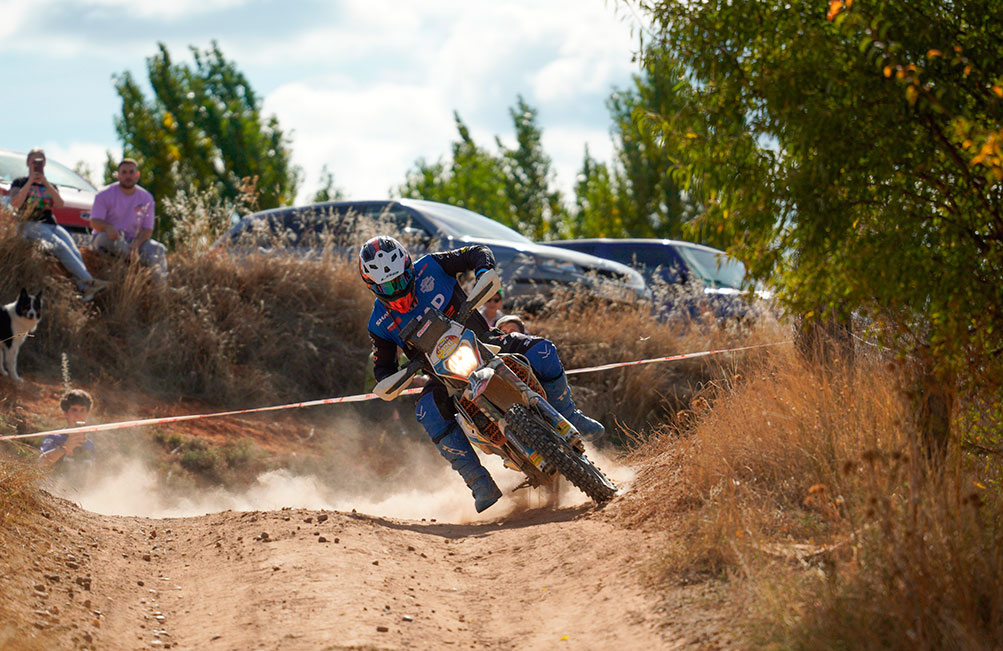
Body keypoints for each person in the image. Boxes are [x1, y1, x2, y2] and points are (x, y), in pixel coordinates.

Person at [361, 236, 604, 513]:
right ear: (373, 287)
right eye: (388, 286)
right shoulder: (378, 322)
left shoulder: (432, 265)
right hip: (444, 377)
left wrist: (484, 270)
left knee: (543, 350)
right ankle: (479, 482)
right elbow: (383, 369)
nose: (397, 289)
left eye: (401, 280)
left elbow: (475, 252)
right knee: (426, 411)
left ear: (409, 267)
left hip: (486, 342)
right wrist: (389, 381)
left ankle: (569, 415)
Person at [6, 149, 109, 301]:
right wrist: (30, 182)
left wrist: (45, 183)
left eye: (40, 162)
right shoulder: (19, 182)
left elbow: (60, 204)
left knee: (72, 247)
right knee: (59, 246)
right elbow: (15, 203)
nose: (37, 165)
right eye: (34, 161)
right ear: (28, 163)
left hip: (51, 224)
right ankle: (89, 281)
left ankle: (84, 288)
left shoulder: (49, 185)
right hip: (30, 224)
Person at [90, 158, 168, 280]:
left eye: (131, 172)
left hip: (134, 241)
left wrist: (137, 243)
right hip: (110, 237)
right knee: (105, 239)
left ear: (137, 175)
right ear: (118, 175)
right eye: (124, 172)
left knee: (158, 248)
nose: (128, 176)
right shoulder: (103, 194)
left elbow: (147, 229)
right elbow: (94, 221)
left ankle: (161, 290)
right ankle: (140, 264)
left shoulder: (146, 197)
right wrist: (107, 227)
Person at [39, 389, 96, 470]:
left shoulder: (89, 444)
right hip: (56, 482)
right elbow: (41, 463)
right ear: (66, 413)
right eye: (74, 410)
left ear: (87, 413)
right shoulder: (54, 437)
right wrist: (64, 448)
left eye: (82, 410)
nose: (78, 415)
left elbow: (93, 473)